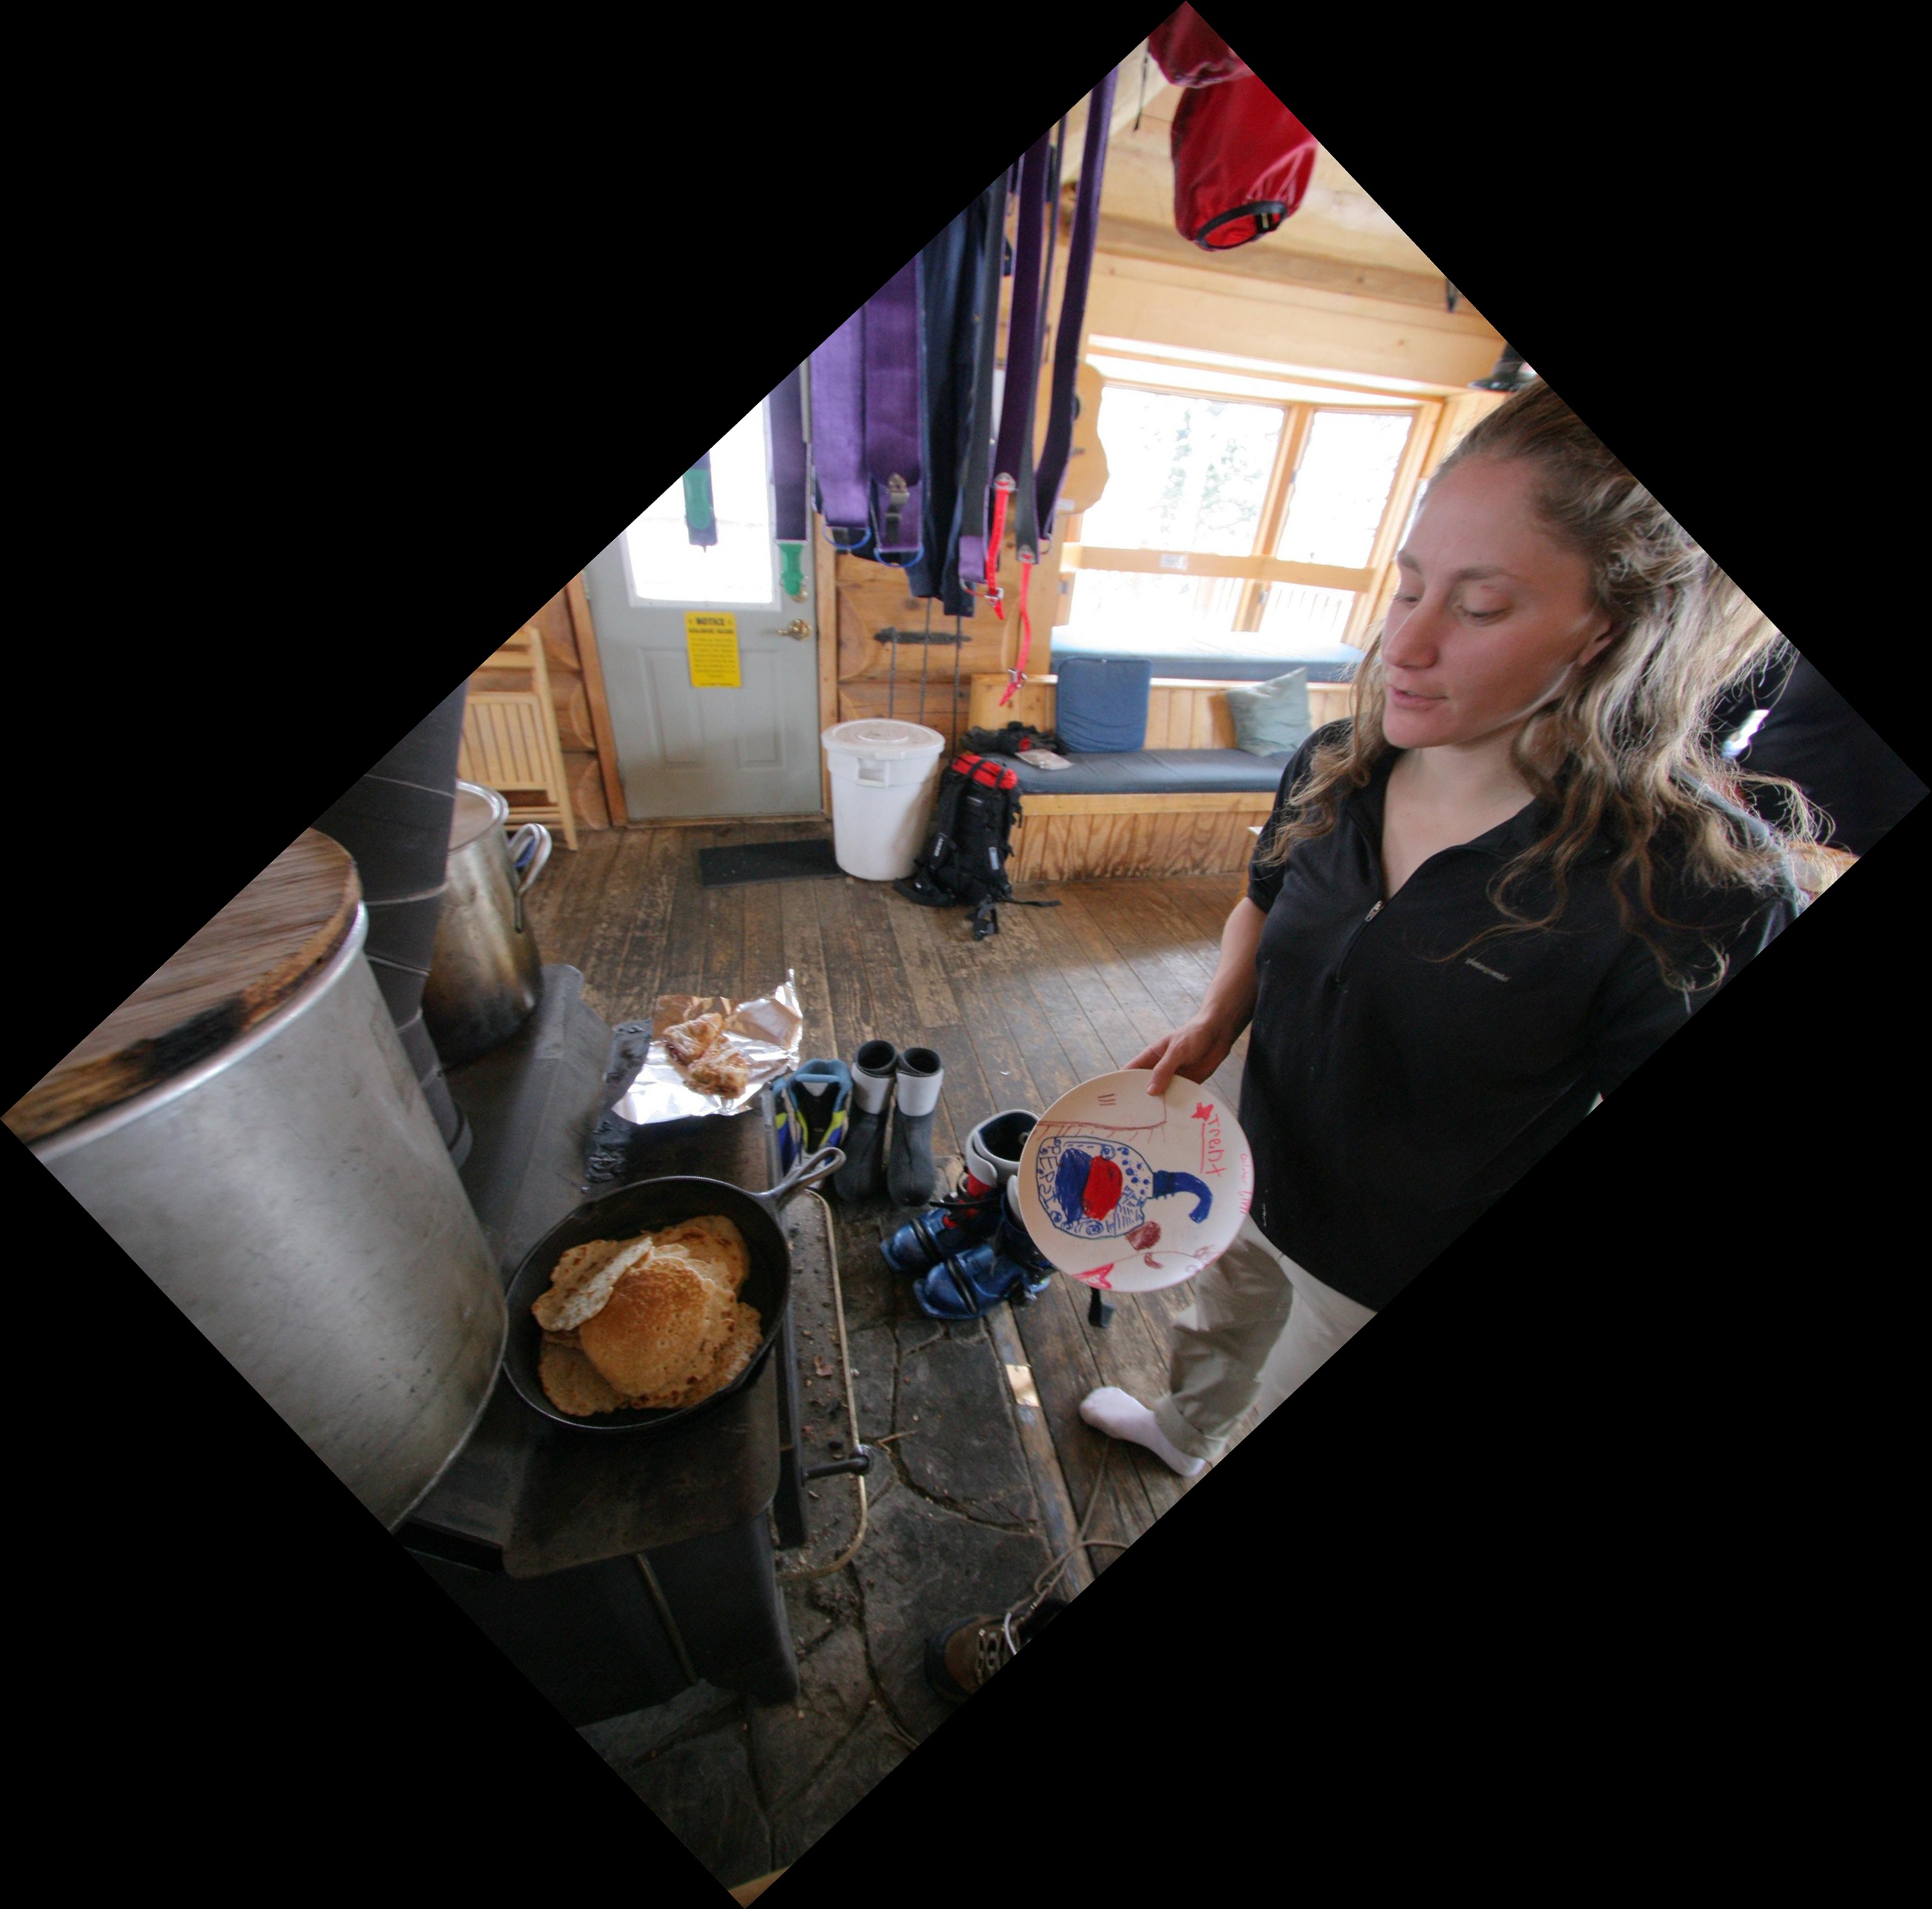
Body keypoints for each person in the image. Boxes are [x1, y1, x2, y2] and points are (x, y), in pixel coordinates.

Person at [1080, 379, 1813, 1478]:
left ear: (1609, 629)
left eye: (1479, 609)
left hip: (1391, 1260)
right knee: (1219, 1324)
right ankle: (1184, 1433)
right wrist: (1222, 1015)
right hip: (1247, 1164)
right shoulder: (1336, 763)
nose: (1406, 646)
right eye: (1409, 586)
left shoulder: (1695, 891)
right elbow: (1265, 899)